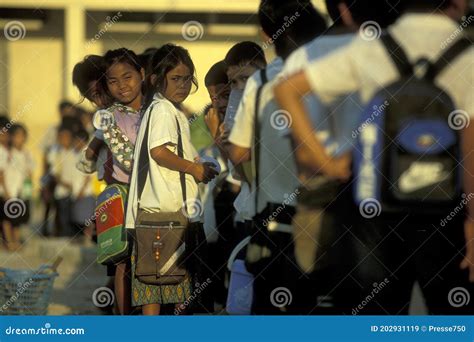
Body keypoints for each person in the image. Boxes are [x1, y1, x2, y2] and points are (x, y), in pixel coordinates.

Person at [275, 0, 474, 314]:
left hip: (372, 209)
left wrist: (327, 162)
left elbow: (287, 89)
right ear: (458, 2)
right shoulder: (468, 56)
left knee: (372, 316)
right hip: (443, 211)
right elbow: (470, 146)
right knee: (453, 318)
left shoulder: (373, 48)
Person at [227, 0, 327, 314]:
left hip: (271, 219)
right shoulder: (333, 71)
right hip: (320, 214)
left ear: (266, 35)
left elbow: (240, 151)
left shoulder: (261, 81)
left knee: (268, 305)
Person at [125, 43, 218, 315]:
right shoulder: (164, 110)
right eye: (176, 78)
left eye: (187, 78)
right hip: (165, 215)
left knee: (155, 287)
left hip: (159, 214)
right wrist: (193, 169)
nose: (183, 84)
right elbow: (159, 152)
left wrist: (197, 165)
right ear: (156, 79)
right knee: (175, 290)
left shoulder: (165, 109)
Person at [93, 48, 145, 315]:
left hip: (153, 197)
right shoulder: (109, 116)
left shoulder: (156, 108)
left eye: (128, 77)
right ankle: (124, 319)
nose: (122, 86)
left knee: (150, 261)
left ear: (142, 74)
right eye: (113, 81)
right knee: (124, 261)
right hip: (124, 197)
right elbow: (126, 159)